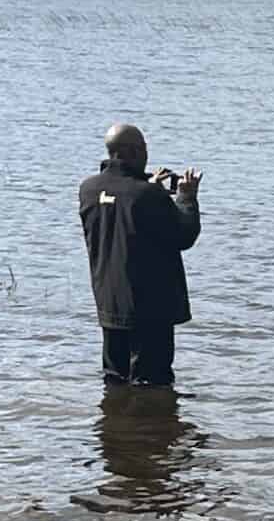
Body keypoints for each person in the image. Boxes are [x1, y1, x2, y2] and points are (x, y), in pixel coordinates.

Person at [79, 123, 201, 386]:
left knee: (115, 379)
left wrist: (147, 184)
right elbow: (184, 235)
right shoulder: (148, 195)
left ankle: (114, 413)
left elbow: (122, 204)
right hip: (150, 309)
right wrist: (186, 198)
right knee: (153, 384)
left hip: (110, 303)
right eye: (144, 148)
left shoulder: (88, 189)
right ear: (135, 152)